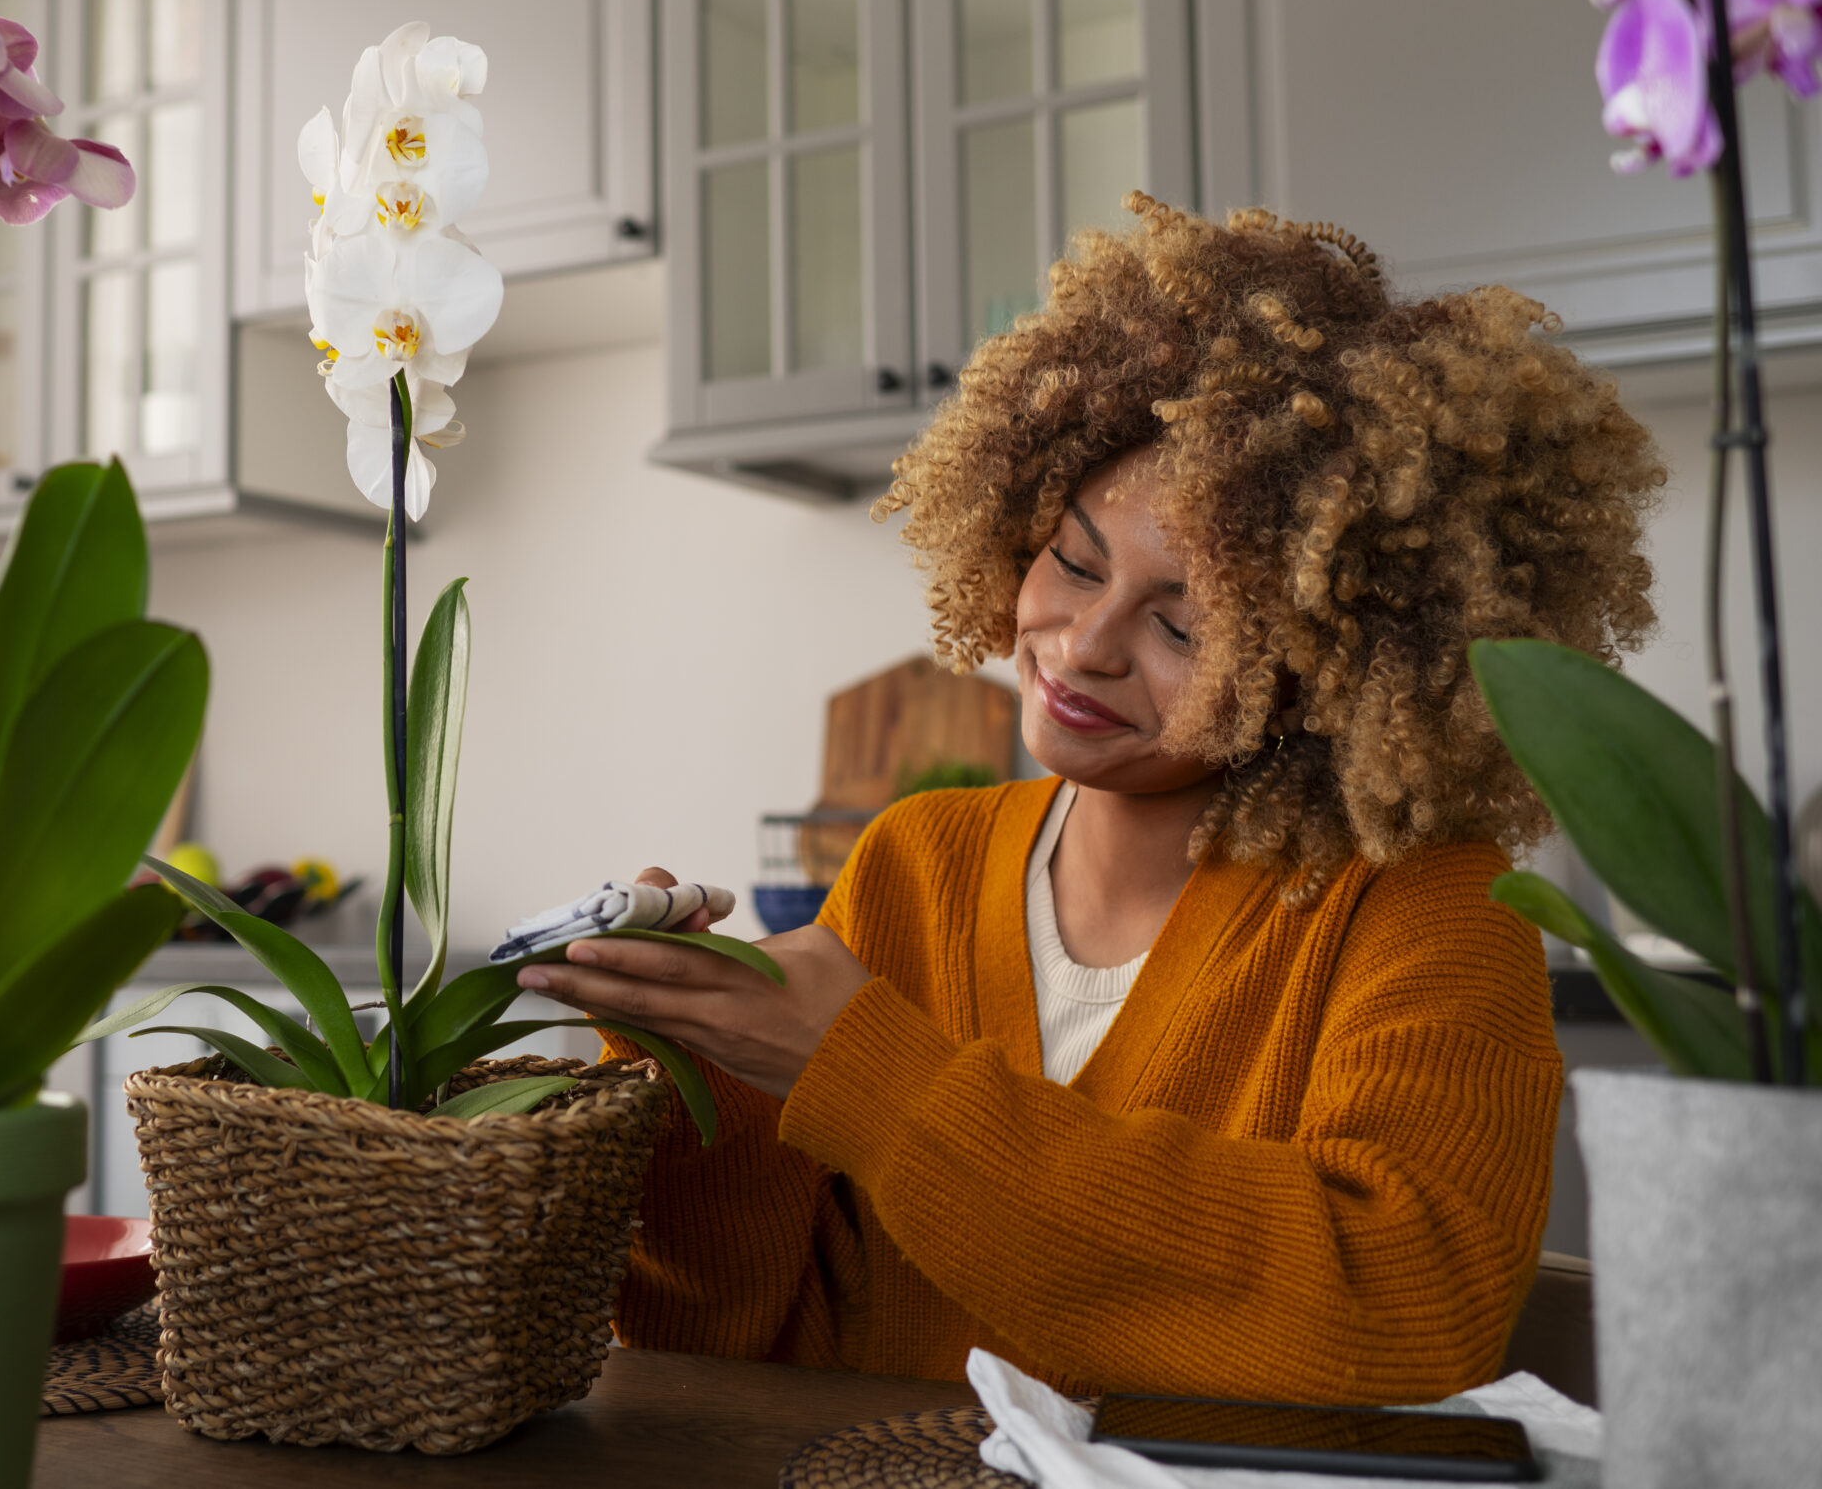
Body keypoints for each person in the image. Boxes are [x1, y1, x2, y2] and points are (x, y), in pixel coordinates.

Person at [516, 196, 1663, 1404]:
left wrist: (864, 1072)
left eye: (1183, 624)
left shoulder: (1426, 907)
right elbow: (735, 1331)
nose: (1084, 646)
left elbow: (1400, 1313)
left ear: (1331, 665)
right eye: (1070, 560)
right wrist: (710, 1069)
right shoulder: (916, 862)